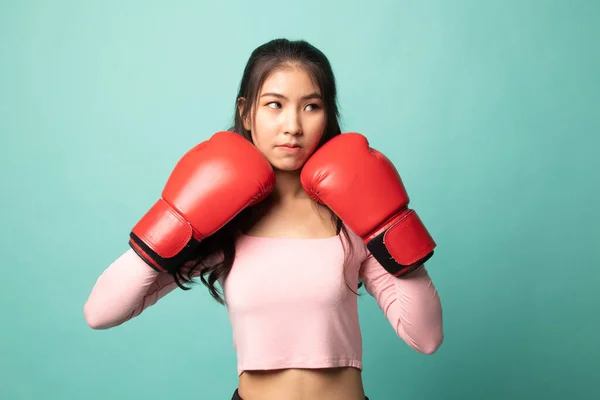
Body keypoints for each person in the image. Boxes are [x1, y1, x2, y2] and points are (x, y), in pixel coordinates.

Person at [83, 38, 444, 400]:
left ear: (327, 115)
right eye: (275, 105)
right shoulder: (224, 220)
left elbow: (426, 338)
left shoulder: (352, 216)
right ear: (246, 112)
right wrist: (176, 218)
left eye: (311, 106)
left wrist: (392, 224)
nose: (293, 126)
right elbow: (101, 313)